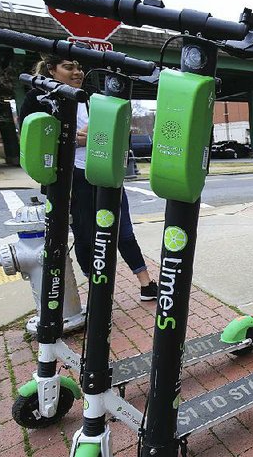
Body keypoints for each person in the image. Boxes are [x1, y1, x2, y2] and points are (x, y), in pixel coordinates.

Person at [20, 54, 159, 301]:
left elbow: (115, 130)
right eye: (68, 67)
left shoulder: (91, 97)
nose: (77, 72)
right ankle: (98, 292)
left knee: (123, 232)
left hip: (105, 172)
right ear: (52, 70)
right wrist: (71, 139)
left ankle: (146, 283)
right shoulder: (38, 99)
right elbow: (34, 143)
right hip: (72, 179)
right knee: (85, 236)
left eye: (79, 67)